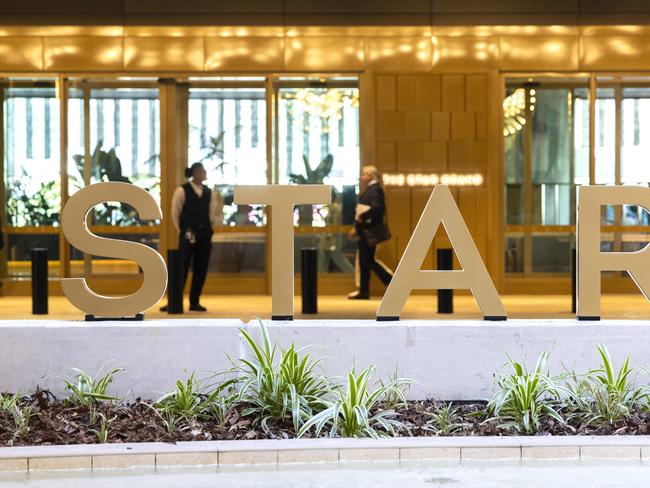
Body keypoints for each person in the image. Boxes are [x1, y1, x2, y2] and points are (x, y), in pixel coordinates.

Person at [161, 162, 217, 312]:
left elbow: (211, 214)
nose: (203, 173)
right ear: (194, 173)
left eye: (204, 171)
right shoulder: (182, 190)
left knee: (201, 267)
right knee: (181, 267)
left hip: (204, 233)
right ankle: (174, 301)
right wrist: (183, 229)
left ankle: (195, 301)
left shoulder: (209, 192)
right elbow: (175, 213)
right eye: (200, 171)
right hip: (187, 233)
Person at [347, 165, 393, 299]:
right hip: (366, 231)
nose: (361, 177)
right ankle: (364, 291)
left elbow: (377, 209)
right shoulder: (373, 189)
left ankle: (391, 281)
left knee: (368, 260)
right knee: (365, 262)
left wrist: (362, 218)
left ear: (370, 176)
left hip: (369, 231)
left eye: (363, 174)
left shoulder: (375, 190)